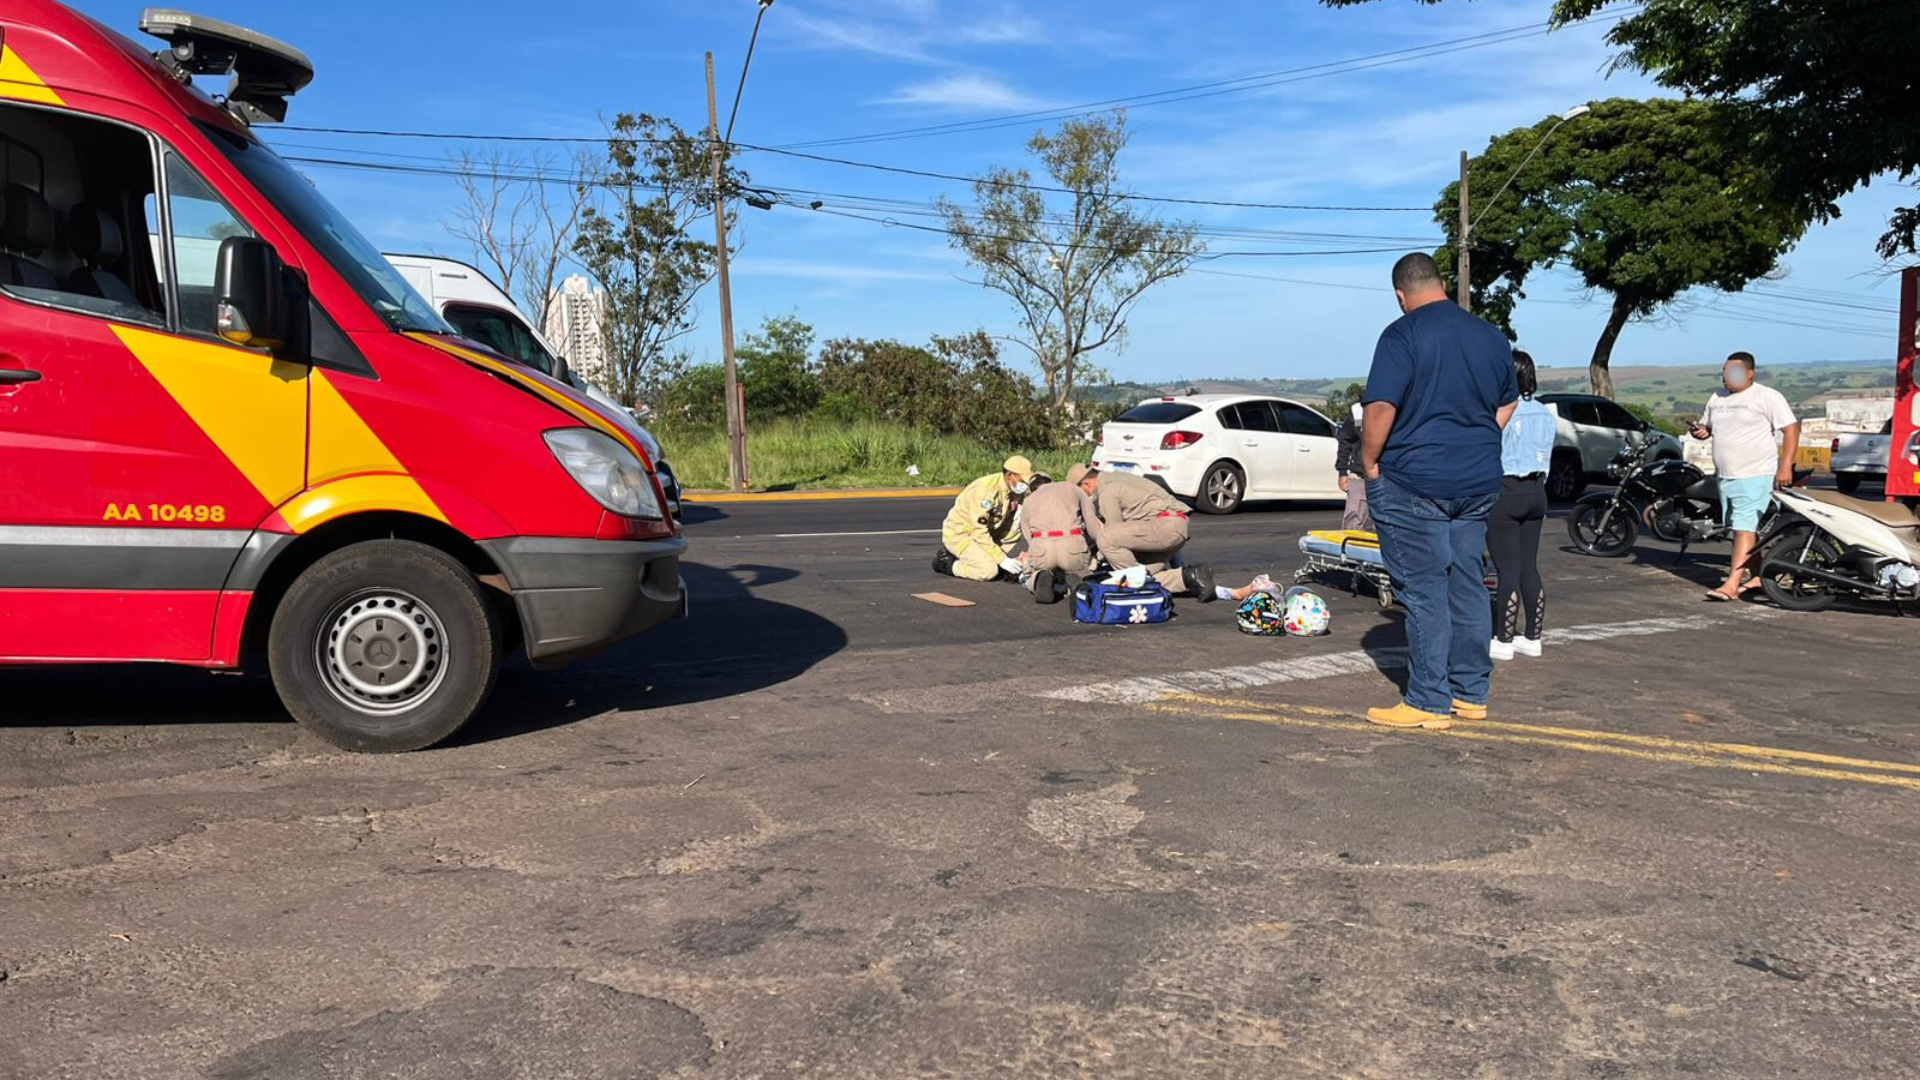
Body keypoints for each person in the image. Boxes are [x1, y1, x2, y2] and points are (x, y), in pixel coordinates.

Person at [1359, 252, 1519, 730]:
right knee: (1467, 582)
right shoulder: (1490, 336)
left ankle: (1428, 699)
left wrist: (1369, 464)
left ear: (1400, 295)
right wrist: (1477, 438)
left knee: (1424, 589)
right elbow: (1508, 401)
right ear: (1441, 283)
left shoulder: (1402, 334)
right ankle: (1471, 693)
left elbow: (1381, 406)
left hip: (1414, 479)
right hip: (1478, 480)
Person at [1688, 351, 1800, 601]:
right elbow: (1709, 428)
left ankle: (1732, 583)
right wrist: (1701, 432)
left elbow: (1791, 428)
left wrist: (1786, 466)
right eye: (1725, 372)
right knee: (1744, 529)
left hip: (1756, 473)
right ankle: (1759, 576)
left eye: (1735, 372)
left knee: (1743, 528)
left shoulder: (1767, 396)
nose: (1728, 377)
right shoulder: (1717, 397)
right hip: (1726, 475)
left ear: (1750, 373)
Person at [1487, 350, 1556, 661]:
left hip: (1505, 490)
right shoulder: (1545, 412)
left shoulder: (1500, 411)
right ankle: (1533, 637)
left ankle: (1503, 639)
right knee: (1529, 566)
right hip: (1536, 492)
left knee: (1507, 570)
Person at [1075, 468, 1217, 600]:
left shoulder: (1107, 491)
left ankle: (1136, 585)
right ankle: (1191, 577)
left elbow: (1112, 533)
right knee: (1146, 574)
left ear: (1086, 484)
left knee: (1107, 539)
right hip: (1173, 527)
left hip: (1166, 527)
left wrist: (1094, 560)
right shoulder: (1117, 478)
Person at [935, 455, 1034, 582]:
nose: (1025, 486)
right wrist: (1001, 559)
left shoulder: (1013, 489)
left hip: (990, 533)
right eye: (1022, 481)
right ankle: (947, 563)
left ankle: (979, 558)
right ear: (1010, 476)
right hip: (961, 535)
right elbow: (978, 531)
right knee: (988, 571)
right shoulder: (985, 491)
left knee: (1002, 564)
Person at [1021, 466, 1102, 603]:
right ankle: (1077, 579)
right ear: (1051, 481)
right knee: (1082, 571)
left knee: (1032, 573)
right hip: (1071, 544)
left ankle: (1038, 579)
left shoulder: (1028, 501)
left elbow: (1029, 536)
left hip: (1043, 546)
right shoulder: (1073, 489)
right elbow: (1093, 528)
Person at [1334, 402, 1373, 530]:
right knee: (1353, 524)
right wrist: (1342, 471)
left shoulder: (1403, 405)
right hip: (1359, 476)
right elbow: (1345, 440)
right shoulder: (1358, 410)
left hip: (1390, 477)